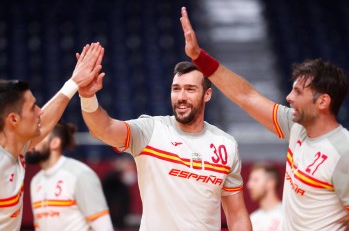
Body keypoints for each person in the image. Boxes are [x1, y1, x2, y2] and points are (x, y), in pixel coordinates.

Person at [180, 6, 349, 231]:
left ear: (323, 101)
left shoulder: (343, 152)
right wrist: (199, 58)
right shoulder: (296, 126)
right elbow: (246, 96)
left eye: (298, 93)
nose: (289, 97)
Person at [77, 61, 252, 230]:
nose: (181, 97)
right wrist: (87, 97)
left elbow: (237, 216)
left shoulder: (226, 145)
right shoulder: (151, 130)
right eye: (176, 89)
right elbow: (104, 129)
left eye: (190, 89)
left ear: (207, 94)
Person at [0, 42, 104, 231]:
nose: (39, 111)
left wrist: (74, 83)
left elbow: (45, 122)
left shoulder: (16, 146)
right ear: (13, 119)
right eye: (33, 107)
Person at [25, 121, 114, 231]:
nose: (31, 143)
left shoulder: (80, 174)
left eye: (39, 138)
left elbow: (104, 227)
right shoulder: (35, 181)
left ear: (55, 143)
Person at [247, 163, 282, 231]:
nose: (249, 185)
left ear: (270, 183)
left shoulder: (287, 215)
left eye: (255, 180)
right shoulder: (252, 219)